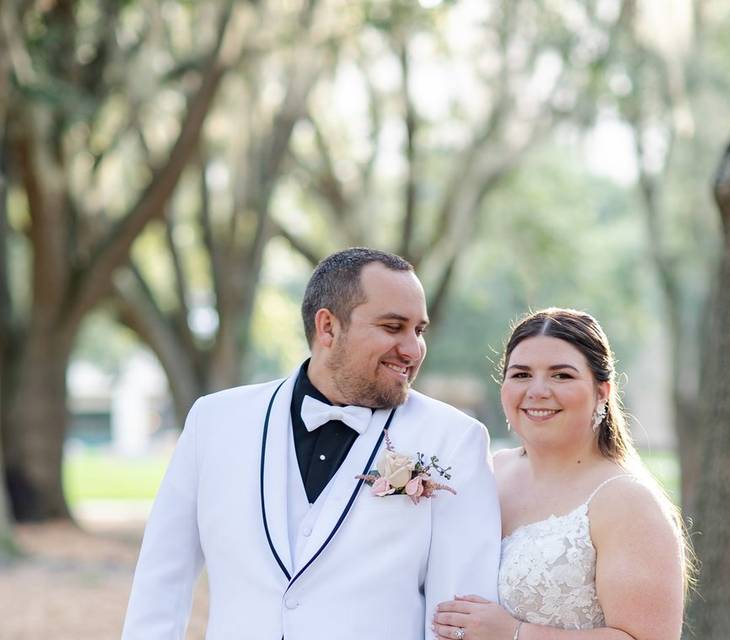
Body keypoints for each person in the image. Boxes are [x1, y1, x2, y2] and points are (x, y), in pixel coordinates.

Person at [122, 247, 501, 640]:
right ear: (327, 328)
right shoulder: (215, 421)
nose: (413, 349)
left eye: (418, 331)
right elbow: (161, 582)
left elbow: (458, 616)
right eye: (393, 327)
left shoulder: (455, 439)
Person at [434, 308, 691, 640]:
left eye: (561, 376)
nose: (537, 390)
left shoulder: (626, 501)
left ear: (603, 392)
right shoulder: (489, 471)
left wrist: (515, 634)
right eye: (521, 375)